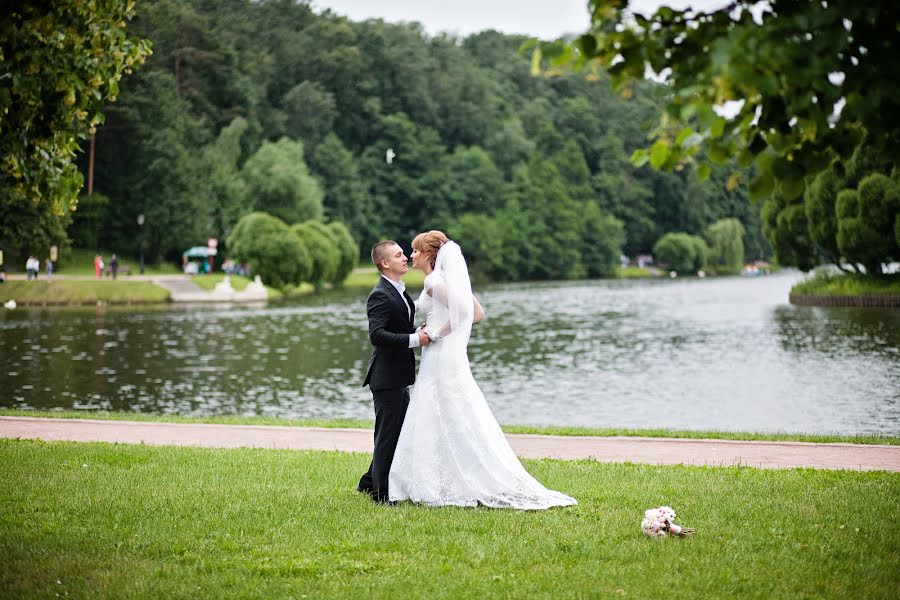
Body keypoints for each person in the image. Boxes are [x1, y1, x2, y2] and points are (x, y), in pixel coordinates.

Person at [389, 230, 577, 510]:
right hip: (450, 355)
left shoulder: (432, 280)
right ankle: (450, 476)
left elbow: (465, 314)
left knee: (436, 411)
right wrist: (437, 329)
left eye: (415, 251)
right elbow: (477, 312)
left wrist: (437, 334)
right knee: (454, 412)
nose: (411, 255)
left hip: (440, 355)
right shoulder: (446, 281)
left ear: (429, 254)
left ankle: (431, 482)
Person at [357, 241, 431, 504]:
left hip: (400, 375)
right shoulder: (380, 294)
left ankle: (368, 482)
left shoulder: (398, 290)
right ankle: (380, 494)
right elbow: (377, 335)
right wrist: (414, 339)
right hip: (386, 377)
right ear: (385, 263)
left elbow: (398, 324)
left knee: (396, 432)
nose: (405, 258)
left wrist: (419, 329)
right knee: (388, 434)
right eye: (399, 255)